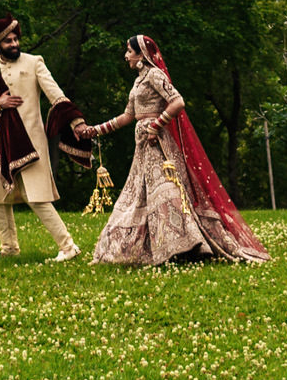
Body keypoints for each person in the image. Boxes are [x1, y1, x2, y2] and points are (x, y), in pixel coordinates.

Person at [75, 33, 269, 266]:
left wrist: (156, 125)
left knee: (167, 192)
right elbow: (128, 116)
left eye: (129, 51)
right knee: (138, 196)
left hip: (158, 146)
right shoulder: (138, 81)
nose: (126, 56)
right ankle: (146, 250)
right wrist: (96, 130)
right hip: (143, 148)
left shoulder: (155, 75)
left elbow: (178, 101)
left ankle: (184, 247)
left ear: (141, 54)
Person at [0, 15, 82, 261]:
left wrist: (76, 120)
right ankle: (9, 248)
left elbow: (55, 94)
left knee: (37, 198)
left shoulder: (35, 62)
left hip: (31, 141)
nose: (14, 44)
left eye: (15, 39)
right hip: (2, 145)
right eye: (8, 41)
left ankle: (68, 247)